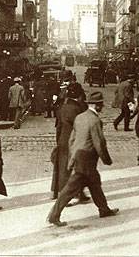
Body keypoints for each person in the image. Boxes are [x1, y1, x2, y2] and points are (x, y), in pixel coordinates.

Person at [46, 91, 119, 227]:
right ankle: (54, 216)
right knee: (70, 189)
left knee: (95, 184)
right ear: (97, 105)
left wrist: (73, 157)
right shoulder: (95, 120)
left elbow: (72, 139)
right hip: (87, 159)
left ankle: (104, 209)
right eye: (101, 104)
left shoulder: (79, 117)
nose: (102, 106)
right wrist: (106, 159)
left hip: (79, 156)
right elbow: (99, 143)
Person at [51, 82, 90, 203]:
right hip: (74, 141)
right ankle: (70, 195)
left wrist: (58, 141)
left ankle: (61, 192)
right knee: (78, 167)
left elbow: (58, 126)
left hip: (63, 139)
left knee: (62, 167)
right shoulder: (78, 109)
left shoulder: (62, 107)